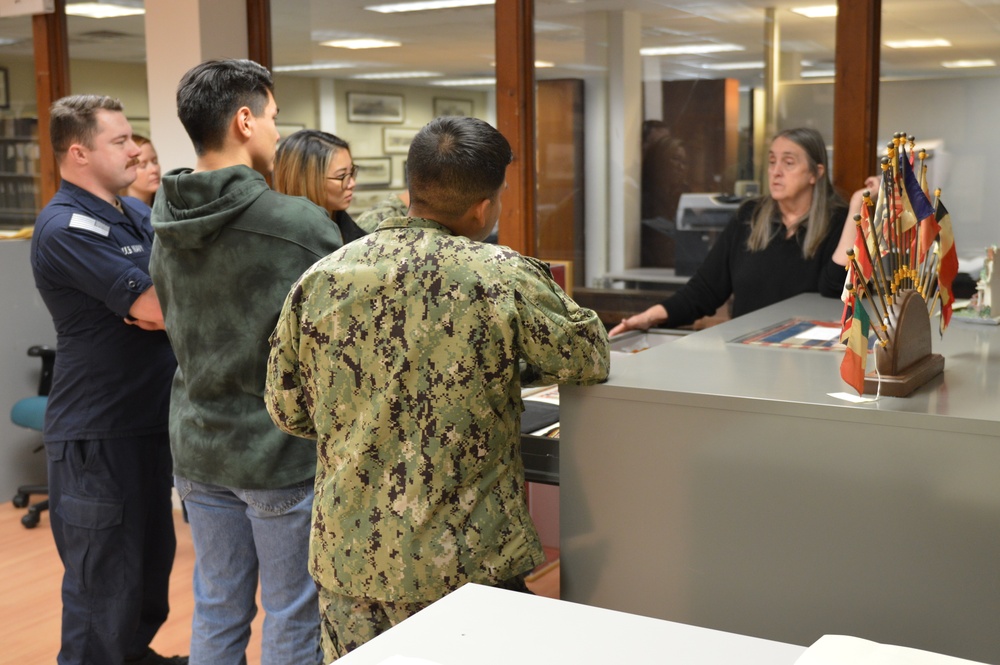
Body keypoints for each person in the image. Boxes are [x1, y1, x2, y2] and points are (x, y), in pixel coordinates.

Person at [265, 115, 611, 660]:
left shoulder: (322, 278)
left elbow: (288, 409)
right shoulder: (502, 274)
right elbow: (587, 355)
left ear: (411, 189)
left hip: (353, 557)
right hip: (468, 558)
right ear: (484, 206)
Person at [148, 59, 343, 665]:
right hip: (278, 451)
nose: (276, 134)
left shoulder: (163, 219)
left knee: (218, 604)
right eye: (273, 119)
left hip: (198, 443)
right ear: (243, 119)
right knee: (291, 611)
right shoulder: (297, 224)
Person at [30, 95, 184, 665]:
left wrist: (152, 301)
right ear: (78, 152)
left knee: (146, 574)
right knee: (104, 589)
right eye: (119, 141)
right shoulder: (63, 226)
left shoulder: (134, 213)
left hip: (146, 420)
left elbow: (170, 291)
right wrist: (149, 301)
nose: (135, 149)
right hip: (98, 431)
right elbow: (157, 304)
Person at [610, 127, 851, 336]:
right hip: (746, 356)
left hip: (807, 361)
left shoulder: (840, 223)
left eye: (788, 163)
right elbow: (704, 289)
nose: (776, 171)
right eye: (771, 161)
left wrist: (858, 208)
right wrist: (649, 317)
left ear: (816, 173)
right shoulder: (749, 216)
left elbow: (835, 293)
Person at [273, 128, 367, 243]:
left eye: (351, 172)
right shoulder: (286, 241)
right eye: (341, 176)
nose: (352, 183)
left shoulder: (354, 233)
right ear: (308, 181)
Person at [122, 133, 161, 206]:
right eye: (143, 165)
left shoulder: (169, 208)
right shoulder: (117, 211)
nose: (154, 170)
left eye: (155, 161)